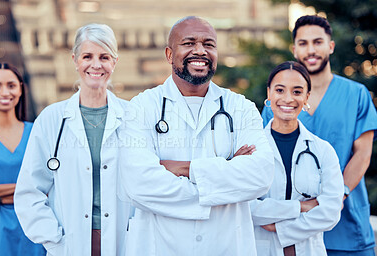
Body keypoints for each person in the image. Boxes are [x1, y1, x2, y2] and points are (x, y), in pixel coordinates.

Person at [119, 16, 274, 256]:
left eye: (209, 44)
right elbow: (138, 185)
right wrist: (226, 170)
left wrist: (185, 169)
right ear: (170, 55)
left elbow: (260, 175)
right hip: (160, 247)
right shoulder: (142, 107)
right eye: (189, 43)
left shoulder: (240, 107)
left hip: (225, 247)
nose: (200, 51)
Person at [262, 15, 377, 256]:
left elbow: (363, 155)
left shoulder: (356, 94)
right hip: (290, 226)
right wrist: (298, 209)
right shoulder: (278, 103)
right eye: (303, 43)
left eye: (318, 42)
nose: (311, 50)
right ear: (294, 50)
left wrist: (337, 195)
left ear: (331, 46)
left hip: (346, 225)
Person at [14, 23, 131, 256]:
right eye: (87, 56)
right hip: (70, 243)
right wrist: (55, 240)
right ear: (75, 59)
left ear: (114, 62)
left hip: (124, 242)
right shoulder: (51, 119)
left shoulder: (132, 117)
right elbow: (29, 191)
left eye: (104, 57)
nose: (96, 65)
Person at [252, 61, 343, 256]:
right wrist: (300, 207)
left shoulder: (323, 151)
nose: (287, 99)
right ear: (269, 93)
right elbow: (245, 207)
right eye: (280, 90)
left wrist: (279, 228)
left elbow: (330, 212)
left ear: (306, 97)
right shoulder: (252, 149)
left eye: (297, 91)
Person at [0, 63, 45, 255]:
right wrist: (26, 189)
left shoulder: (38, 132)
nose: (4, 92)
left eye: (11, 85)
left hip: (33, 231)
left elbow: (52, 186)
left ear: (21, 89)